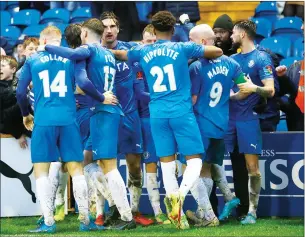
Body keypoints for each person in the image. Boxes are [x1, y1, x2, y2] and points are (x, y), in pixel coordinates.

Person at [112, 10, 223, 229]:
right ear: (172, 29)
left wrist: (104, 50)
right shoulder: (182, 48)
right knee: (195, 161)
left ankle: (178, 219)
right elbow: (216, 50)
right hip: (181, 111)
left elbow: (121, 54)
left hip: (157, 114)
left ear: (152, 30)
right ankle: (179, 196)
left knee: (167, 164)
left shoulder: (142, 51)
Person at [42, 19, 137, 230]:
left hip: (103, 110)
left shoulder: (89, 50)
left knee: (109, 166)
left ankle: (126, 216)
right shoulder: (107, 53)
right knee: (104, 164)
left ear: (84, 33)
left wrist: (47, 46)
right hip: (107, 112)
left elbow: (83, 82)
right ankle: (119, 212)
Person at [16, 26, 96, 233]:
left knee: (41, 172)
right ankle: (85, 221)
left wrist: (26, 113)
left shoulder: (32, 60)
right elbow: (82, 84)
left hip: (43, 120)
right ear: (59, 40)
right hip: (69, 119)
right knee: (76, 170)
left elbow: (20, 92)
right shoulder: (71, 59)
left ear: (43, 40)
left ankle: (49, 222)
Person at [182, 24, 250, 227]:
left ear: (203, 42)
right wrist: (230, 98)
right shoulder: (231, 64)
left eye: (191, 41)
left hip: (200, 125)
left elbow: (193, 99)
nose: (189, 45)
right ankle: (205, 214)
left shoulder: (196, 66)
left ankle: (207, 215)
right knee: (207, 170)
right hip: (221, 126)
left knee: (192, 169)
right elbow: (245, 89)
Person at [100, 11, 154, 226]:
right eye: (104, 27)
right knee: (104, 165)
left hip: (130, 117)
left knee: (134, 167)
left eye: (112, 26)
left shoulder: (131, 50)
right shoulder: (93, 53)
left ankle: (134, 209)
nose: (109, 30)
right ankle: (110, 208)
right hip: (104, 117)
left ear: (118, 29)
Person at [225, 20, 275, 225]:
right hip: (230, 120)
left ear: (243, 34)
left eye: (233, 32)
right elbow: (231, 91)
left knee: (252, 168)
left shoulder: (262, 58)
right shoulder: (232, 59)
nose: (230, 36)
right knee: (224, 164)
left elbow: (270, 90)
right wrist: (233, 96)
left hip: (248, 119)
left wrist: (253, 88)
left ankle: (253, 211)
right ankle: (234, 204)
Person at [134, 24, 170, 225]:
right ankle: (158, 211)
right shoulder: (139, 64)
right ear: (142, 42)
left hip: (167, 116)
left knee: (169, 165)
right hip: (146, 120)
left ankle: (173, 207)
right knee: (150, 166)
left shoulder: (167, 60)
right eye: (148, 42)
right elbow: (139, 93)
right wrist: (163, 97)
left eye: (155, 42)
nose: (152, 45)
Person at [0, 55, 29, 149]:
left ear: (13, 70)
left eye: (2, 66)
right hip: (10, 130)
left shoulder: (20, 83)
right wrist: (18, 134)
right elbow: (3, 117)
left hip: (24, 126)